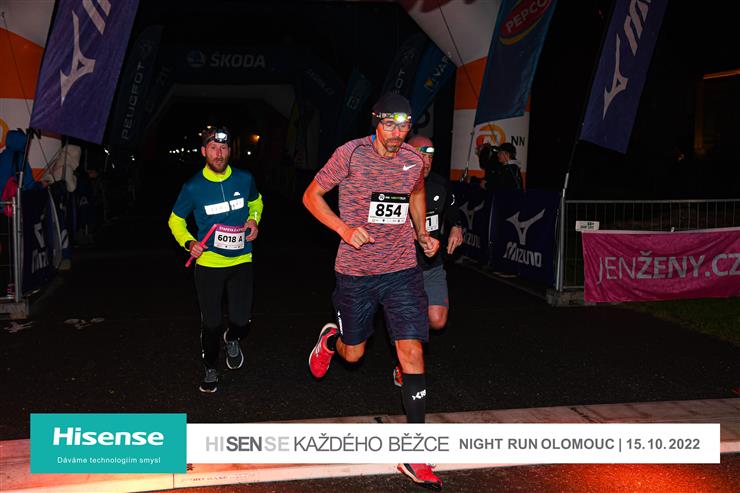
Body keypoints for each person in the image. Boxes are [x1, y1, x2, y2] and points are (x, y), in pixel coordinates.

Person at [303, 93, 443, 491]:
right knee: (354, 354)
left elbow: (416, 192)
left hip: (401, 269)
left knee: (412, 352)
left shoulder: (412, 159)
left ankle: (415, 452)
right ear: (376, 121)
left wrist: (421, 232)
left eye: (405, 126)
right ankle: (331, 340)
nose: (398, 133)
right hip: (356, 273)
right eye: (390, 125)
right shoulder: (350, 154)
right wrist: (345, 230)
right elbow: (311, 196)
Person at [167, 126, 263, 393]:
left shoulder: (244, 179)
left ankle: (232, 338)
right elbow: (175, 221)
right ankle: (210, 367)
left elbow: (256, 202)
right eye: (213, 148)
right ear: (203, 152)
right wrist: (189, 243)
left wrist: (253, 220)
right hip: (209, 264)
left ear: (229, 151)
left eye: (223, 148)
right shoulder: (193, 187)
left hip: (241, 260)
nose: (218, 154)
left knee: (242, 322)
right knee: (211, 323)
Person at [391, 135, 463, 388]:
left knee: (437, 320)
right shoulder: (393, 183)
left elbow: (453, 211)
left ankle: (408, 337)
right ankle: (405, 361)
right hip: (400, 267)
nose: (427, 160)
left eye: (430, 155)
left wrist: (456, 227)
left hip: (431, 264)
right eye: (421, 154)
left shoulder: (439, 185)